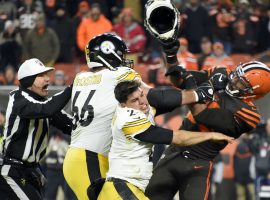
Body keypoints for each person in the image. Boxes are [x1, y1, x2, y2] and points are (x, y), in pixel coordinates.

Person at [63, 33, 215, 200]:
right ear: (109, 53)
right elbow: (156, 98)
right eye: (122, 55)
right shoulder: (118, 75)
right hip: (90, 158)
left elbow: (149, 105)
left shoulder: (82, 78)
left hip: (84, 157)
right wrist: (197, 95)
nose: (124, 59)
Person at [145, 59, 270, 200]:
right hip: (173, 153)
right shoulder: (223, 74)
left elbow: (202, 114)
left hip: (199, 163)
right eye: (236, 75)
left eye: (241, 82)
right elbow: (179, 81)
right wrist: (171, 56)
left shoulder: (248, 114)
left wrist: (207, 85)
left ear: (253, 92)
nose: (233, 81)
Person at [98, 80, 234, 200]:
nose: (142, 102)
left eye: (141, 95)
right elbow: (178, 138)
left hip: (128, 186)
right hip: (122, 187)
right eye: (134, 100)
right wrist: (211, 135)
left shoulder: (140, 109)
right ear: (123, 105)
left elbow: (169, 103)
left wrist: (204, 89)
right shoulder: (128, 118)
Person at [0, 58, 73, 199]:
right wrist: (73, 87)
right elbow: (47, 109)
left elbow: (71, 125)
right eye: (41, 76)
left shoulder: (42, 103)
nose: (47, 79)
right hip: (13, 171)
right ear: (28, 81)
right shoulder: (18, 98)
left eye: (47, 75)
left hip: (32, 170)